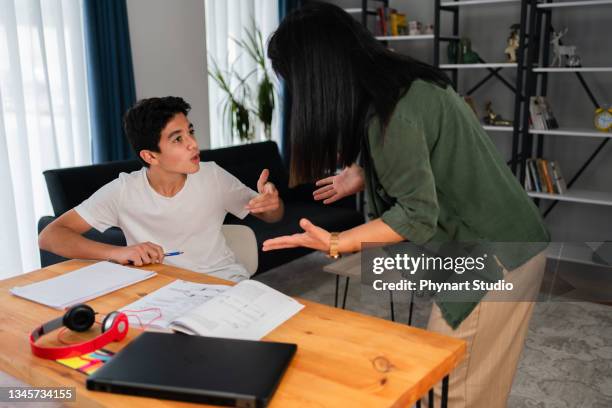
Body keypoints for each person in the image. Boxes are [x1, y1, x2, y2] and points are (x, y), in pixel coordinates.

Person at [262, 3, 549, 407]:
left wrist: (336, 241)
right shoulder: (402, 82)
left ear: (318, 75)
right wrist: (366, 171)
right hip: (505, 239)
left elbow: (414, 216)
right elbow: (426, 150)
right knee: (476, 378)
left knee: (452, 384)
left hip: (494, 252)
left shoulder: (390, 113)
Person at [39, 97, 284, 282]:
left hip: (223, 281)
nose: (193, 144)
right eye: (178, 139)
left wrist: (272, 204)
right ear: (150, 156)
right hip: (158, 289)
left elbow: (272, 216)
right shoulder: (124, 190)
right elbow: (50, 236)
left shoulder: (213, 175)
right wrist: (117, 252)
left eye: (190, 132)